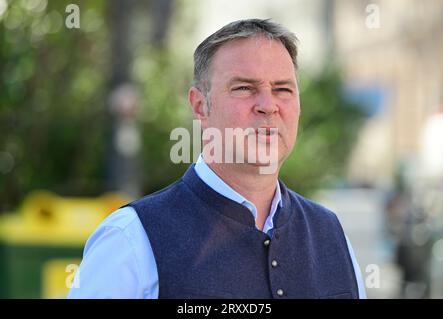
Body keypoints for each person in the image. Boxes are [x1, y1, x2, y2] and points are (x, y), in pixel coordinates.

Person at [68, 19, 366, 299]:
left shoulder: (332, 235)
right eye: (244, 88)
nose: (268, 106)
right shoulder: (131, 239)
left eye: (282, 89)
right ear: (200, 106)